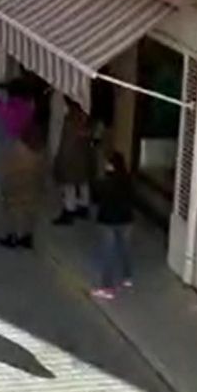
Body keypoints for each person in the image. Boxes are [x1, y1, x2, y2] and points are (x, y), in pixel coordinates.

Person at [91, 152, 134, 300]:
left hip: (108, 221)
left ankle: (107, 287)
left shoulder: (106, 182)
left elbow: (97, 197)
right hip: (126, 220)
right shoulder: (127, 179)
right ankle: (127, 277)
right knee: (124, 249)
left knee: (108, 253)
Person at [0, 123, 48, 249]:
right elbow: (44, 169)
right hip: (33, 186)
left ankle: (13, 236)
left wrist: (4, 184)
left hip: (16, 184)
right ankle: (27, 237)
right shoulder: (41, 150)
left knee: (13, 211)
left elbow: (8, 166)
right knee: (30, 213)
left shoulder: (18, 147)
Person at [53, 100, 96, 225]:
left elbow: (66, 142)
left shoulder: (70, 121)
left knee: (69, 186)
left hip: (71, 158)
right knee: (83, 183)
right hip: (84, 157)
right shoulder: (86, 119)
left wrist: (60, 159)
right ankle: (84, 206)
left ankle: (69, 210)